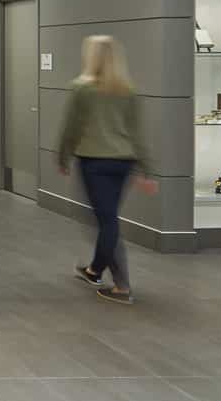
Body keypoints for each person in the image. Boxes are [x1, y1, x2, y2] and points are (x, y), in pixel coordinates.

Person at [56, 35, 156, 305]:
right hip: (124, 162)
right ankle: (94, 270)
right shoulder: (128, 90)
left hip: (94, 161)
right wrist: (146, 169)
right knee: (106, 219)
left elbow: (72, 127)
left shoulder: (82, 88)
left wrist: (63, 157)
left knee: (106, 222)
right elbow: (136, 133)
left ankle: (122, 286)